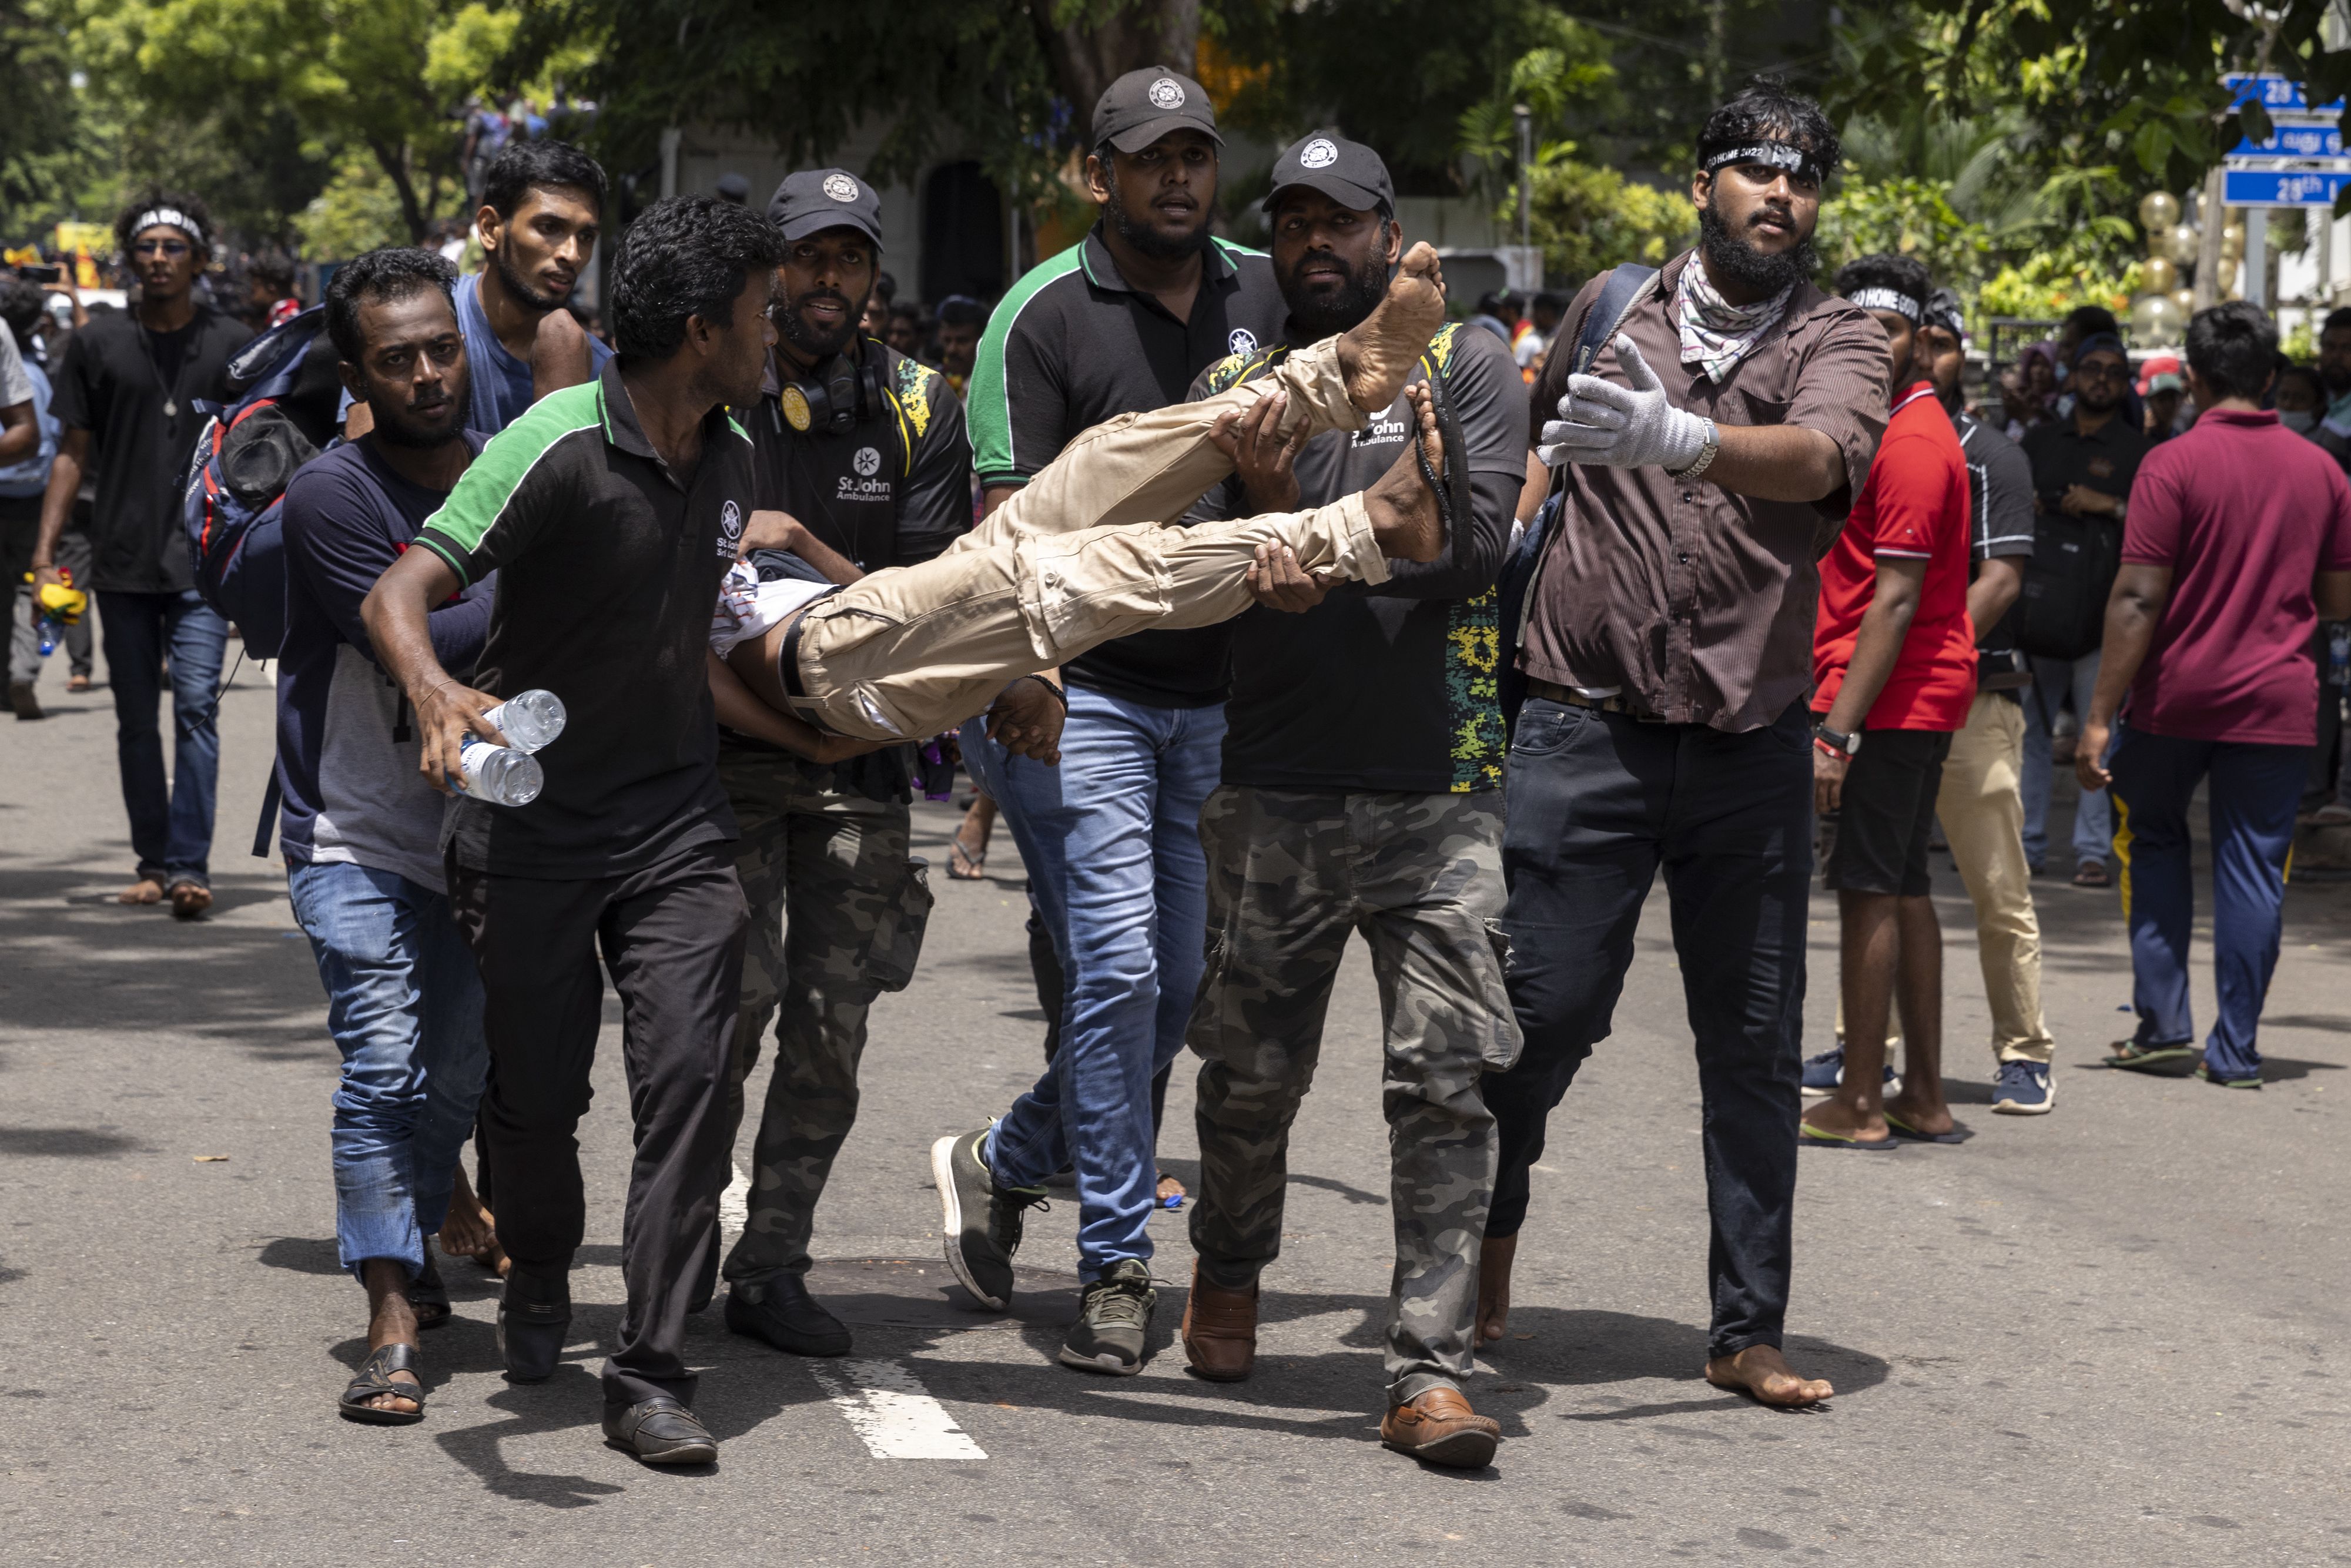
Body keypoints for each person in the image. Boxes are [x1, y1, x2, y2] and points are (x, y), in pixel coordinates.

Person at [359, 195, 789, 1466]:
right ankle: (539, 1261)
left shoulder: (734, 454)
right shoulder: (553, 441)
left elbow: (676, 633)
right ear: (704, 327)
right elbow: (403, 587)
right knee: (535, 1103)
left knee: (695, 1081)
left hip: (674, 822)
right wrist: (436, 692)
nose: (772, 333)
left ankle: (651, 1365)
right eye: (759, 312)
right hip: (530, 827)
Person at [1479, 80, 1890, 1407]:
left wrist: (1685, 437)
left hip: (1747, 743)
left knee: (1755, 1040)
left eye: (1805, 176)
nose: (1783, 194)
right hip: (1579, 722)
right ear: (1701, 182)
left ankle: (1745, 1327)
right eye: (1757, 169)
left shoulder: (1842, 338)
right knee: (1538, 1013)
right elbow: (1540, 453)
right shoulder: (1611, 309)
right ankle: (1483, 1235)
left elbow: (1824, 458)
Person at [1171, 133, 1522, 1466]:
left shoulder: (1468, 361)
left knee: (1444, 1081)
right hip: (1270, 782)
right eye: (1295, 222)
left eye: (1344, 220)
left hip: (1439, 792)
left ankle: (1427, 1366)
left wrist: (1314, 525)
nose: (1319, 242)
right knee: (1249, 1076)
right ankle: (1228, 1265)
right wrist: (1320, 505)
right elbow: (1208, 554)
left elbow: (1475, 546)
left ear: (1391, 232)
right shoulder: (1233, 383)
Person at [947, 62, 1286, 1332]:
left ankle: (1006, 1156)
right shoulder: (1039, 316)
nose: (1178, 177)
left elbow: (1290, 494)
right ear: (1099, 178)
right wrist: (1026, 674)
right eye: (1150, 158)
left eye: (1194, 154)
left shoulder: (1258, 289)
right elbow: (1005, 528)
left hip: (1210, 694)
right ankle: (1113, 1259)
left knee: (1179, 983)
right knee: (1119, 969)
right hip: (1080, 693)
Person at [710, 170, 973, 1360]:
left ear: (875, 277)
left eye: (848, 260)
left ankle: (771, 1263)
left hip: (863, 750)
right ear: (769, 272)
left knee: (831, 1021)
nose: (827, 280)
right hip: (717, 748)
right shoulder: (712, 380)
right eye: (806, 258)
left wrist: (807, 543)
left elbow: (930, 606)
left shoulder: (922, 404)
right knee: (724, 1003)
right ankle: (671, 1243)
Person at [277, 247, 496, 1425]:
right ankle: (391, 1311)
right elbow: (423, 641)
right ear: (356, 373)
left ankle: (411, 1221)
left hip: (476, 835)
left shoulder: (504, 470)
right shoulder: (332, 494)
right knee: (383, 1063)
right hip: (351, 833)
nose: (426, 372)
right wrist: (526, 586)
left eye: (441, 347)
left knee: (457, 1072)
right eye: (397, 357)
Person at [2080, 303, 2351, 1088]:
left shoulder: (2171, 464)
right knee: (2254, 869)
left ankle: (2165, 1027)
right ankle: (2236, 1049)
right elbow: (2337, 598)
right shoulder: (2322, 471)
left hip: (2173, 699)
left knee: (2157, 842)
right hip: (2277, 702)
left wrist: (2099, 716)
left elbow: (2136, 598)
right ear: (2271, 377)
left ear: (2192, 378)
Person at [31, 188, 253, 917]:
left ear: (198, 260)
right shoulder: (97, 344)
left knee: (195, 710)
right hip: (121, 561)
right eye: (147, 248)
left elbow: (262, 448)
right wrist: (44, 558)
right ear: (131, 259)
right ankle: (152, 864)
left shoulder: (230, 346)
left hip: (199, 563)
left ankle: (191, 867)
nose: (159, 260)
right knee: (134, 718)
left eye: (174, 248)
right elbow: (70, 451)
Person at [1794, 257, 1974, 1148]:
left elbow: (1895, 601)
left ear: (1921, 342)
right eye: (1857, 325)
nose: (1873, 341)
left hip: (1889, 702)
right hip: (1906, 698)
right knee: (1902, 888)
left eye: (1891, 330)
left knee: (1868, 890)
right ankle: (1925, 1096)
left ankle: (1861, 1100)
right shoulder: (1901, 425)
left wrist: (1836, 730)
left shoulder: (1907, 442)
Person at [1924, 289, 2057, 1111]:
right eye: (1911, 338)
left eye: (1939, 341)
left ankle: (2025, 1050)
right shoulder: (1859, 442)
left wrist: (1916, 658)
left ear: (1961, 353)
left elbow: (2000, 579)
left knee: (1998, 890)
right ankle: (1868, 1042)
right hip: (1880, 704)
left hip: (1972, 701)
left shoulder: (1993, 455)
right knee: (1881, 886)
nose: (1924, 354)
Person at [2019, 331, 2149, 888]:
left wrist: (2110, 506)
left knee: (2102, 734)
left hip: (2106, 620)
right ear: (2072, 377)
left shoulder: (2141, 452)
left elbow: (2158, 528)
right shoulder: (2039, 442)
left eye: (2113, 372)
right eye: (2091, 368)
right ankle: (2026, 846)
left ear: (2124, 385)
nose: (2101, 379)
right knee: (2030, 735)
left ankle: (2093, 851)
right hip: (2038, 615)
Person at [445, 139, 611, 437]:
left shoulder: (602, 375)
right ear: (490, 229)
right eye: (549, 228)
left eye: (585, 236)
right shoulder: (426, 325)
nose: (572, 254)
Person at [2, 296, 57, 719]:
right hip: (32, 496)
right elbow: (51, 440)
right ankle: (23, 671)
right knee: (30, 591)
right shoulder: (39, 377)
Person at [933, 294, 986, 400]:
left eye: (962, 341)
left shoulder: (992, 388)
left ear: (981, 341)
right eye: (947, 340)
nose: (952, 350)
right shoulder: (931, 385)